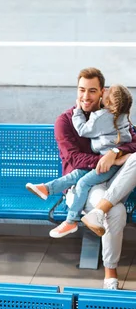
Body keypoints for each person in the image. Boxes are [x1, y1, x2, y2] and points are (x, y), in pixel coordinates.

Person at [43, 67, 136, 289]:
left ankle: (99, 210)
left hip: (111, 179)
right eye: (82, 90)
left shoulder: (113, 112)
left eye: (92, 91)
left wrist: (115, 153)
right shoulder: (65, 121)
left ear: (102, 92)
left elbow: (134, 138)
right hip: (82, 183)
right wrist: (106, 160)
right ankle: (110, 275)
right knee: (117, 211)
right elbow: (74, 159)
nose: (86, 96)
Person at [26, 84, 133, 239]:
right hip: (106, 164)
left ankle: (71, 220)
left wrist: (77, 110)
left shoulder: (102, 117)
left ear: (108, 101)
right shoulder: (122, 116)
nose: (104, 92)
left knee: (82, 182)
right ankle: (46, 189)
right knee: (75, 175)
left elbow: (82, 129)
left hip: (109, 167)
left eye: (105, 92)